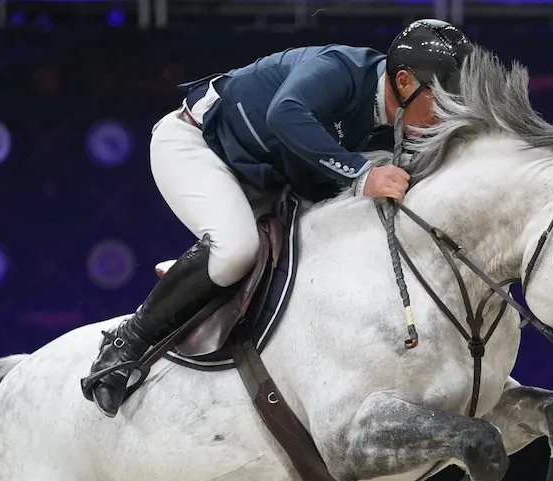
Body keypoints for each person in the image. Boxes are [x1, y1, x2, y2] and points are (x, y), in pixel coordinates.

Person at [81, 20, 476, 417]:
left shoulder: (398, 127)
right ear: (405, 82)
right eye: (443, 101)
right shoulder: (339, 68)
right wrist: (361, 173)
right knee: (236, 250)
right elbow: (285, 115)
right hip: (199, 147)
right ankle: (124, 345)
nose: (447, 115)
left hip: (267, 181)